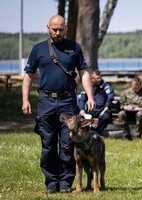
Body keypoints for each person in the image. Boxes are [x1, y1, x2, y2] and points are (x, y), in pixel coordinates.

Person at [22, 15, 95, 193]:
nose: (57, 32)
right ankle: (51, 183)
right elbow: (28, 75)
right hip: (46, 101)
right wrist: (25, 99)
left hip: (67, 101)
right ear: (48, 28)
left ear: (65, 29)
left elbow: (84, 73)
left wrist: (90, 96)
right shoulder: (38, 49)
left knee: (67, 145)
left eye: (61, 29)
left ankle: (65, 183)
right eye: (54, 28)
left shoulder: (74, 48)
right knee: (48, 144)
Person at [77, 70, 114, 135]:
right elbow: (81, 98)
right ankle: (86, 132)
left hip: (102, 110)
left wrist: (106, 108)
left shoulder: (105, 86)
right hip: (89, 110)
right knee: (79, 117)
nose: (98, 80)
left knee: (106, 116)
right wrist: (82, 110)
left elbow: (110, 97)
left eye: (99, 78)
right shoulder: (87, 87)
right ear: (91, 78)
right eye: (95, 78)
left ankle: (95, 132)